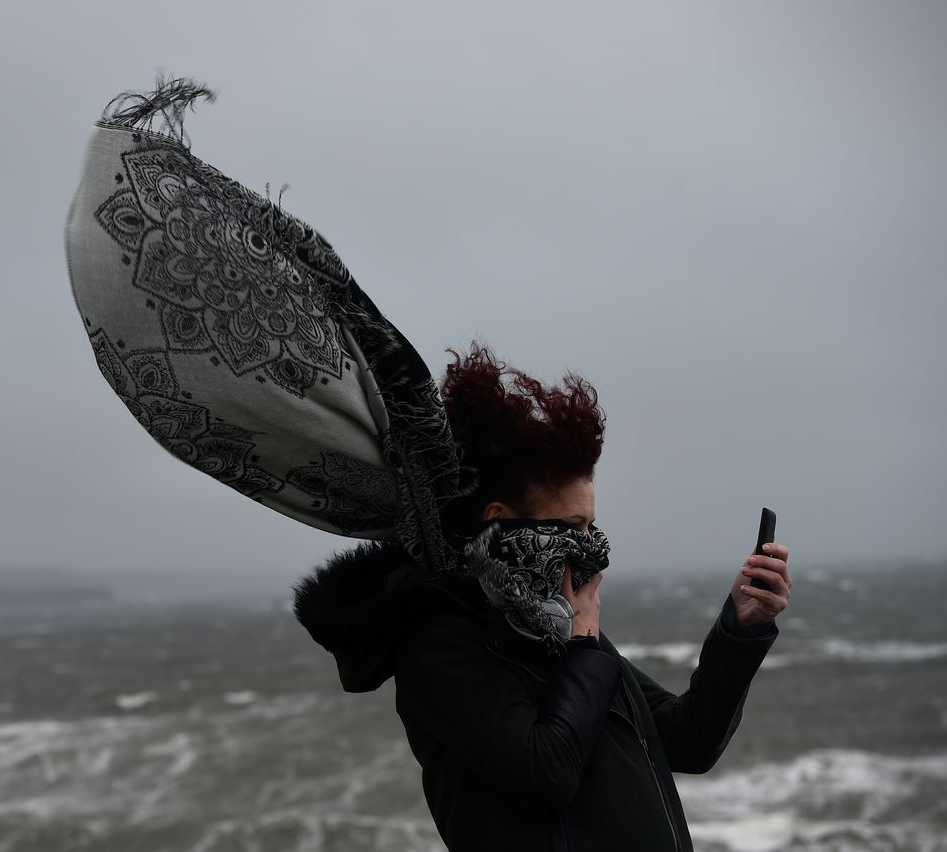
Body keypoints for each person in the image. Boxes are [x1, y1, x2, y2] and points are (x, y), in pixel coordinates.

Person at [292, 341, 791, 851]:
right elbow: (545, 771)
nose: (590, 544)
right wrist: (584, 648)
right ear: (500, 521)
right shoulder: (442, 640)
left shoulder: (555, 626)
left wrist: (741, 627)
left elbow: (688, 740)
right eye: (572, 525)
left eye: (592, 524)